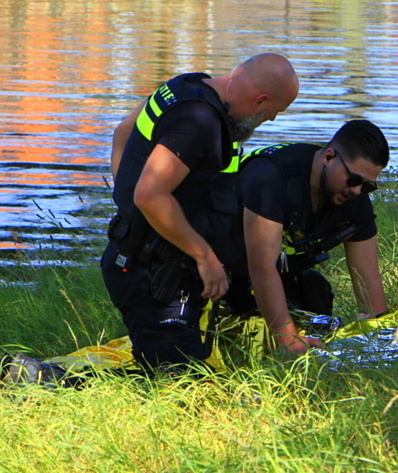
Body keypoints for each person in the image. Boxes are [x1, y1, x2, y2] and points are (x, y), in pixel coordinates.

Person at [101, 53, 299, 370]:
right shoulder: (199, 121)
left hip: (140, 252)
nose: (272, 119)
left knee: (178, 365)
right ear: (260, 101)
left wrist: (128, 205)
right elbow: (150, 195)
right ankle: (42, 377)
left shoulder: (187, 85)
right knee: (176, 380)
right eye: (275, 111)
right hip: (153, 272)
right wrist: (205, 257)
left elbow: (124, 132)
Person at [224, 119, 390, 356]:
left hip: (282, 276)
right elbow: (261, 267)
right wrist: (288, 340)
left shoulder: (354, 197)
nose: (356, 191)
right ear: (329, 157)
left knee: (315, 295)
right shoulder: (271, 177)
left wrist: (380, 338)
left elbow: (368, 278)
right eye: (353, 180)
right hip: (223, 276)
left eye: (366, 186)